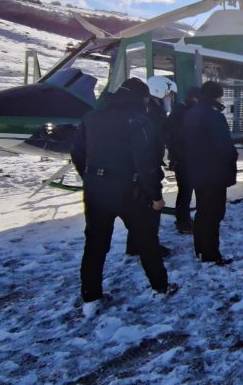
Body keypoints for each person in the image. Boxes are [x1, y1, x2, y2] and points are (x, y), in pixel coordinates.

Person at [71, 78, 174, 304]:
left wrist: (90, 176)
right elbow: (146, 163)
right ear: (142, 98)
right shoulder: (139, 121)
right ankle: (160, 286)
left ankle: (90, 295)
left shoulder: (91, 118)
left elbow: (77, 153)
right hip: (131, 190)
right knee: (147, 240)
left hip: (96, 190)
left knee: (95, 244)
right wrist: (155, 195)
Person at [183, 80, 238, 265]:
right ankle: (211, 254)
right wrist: (232, 157)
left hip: (197, 170)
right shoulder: (213, 116)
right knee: (213, 214)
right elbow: (224, 146)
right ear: (216, 96)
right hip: (214, 172)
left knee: (202, 211)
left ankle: (200, 250)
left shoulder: (192, 113)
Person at [125, 76, 175, 259]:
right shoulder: (151, 115)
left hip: (141, 168)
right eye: (168, 94)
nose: (170, 98)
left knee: (140, 211)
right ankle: (148, 246)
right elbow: (148, 148)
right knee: (149, 211)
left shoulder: (152, 112)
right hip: (146, 168)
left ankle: (134, 245)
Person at [167, 85, 200, 233]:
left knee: (185, 191)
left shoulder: (181, 112)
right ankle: (183, 222)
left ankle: (183, 219)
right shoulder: (181, 114)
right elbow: (176, 139)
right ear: (193, 98)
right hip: (183, 159)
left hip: (185, 158)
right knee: (185, 191)